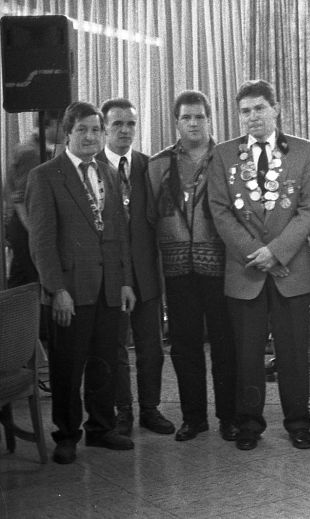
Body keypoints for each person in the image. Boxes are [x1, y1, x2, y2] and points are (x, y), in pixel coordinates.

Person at [208, 79, 310, 451]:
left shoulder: (304, 152)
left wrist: (276, 252)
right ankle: (249, 424)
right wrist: (256, 252)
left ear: (276, 109)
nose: (253, 116)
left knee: (294, 354)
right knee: (247, 355)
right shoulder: (224, 154)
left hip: (290, 270)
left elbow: (308, 210)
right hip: (246, 272)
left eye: (259, 108)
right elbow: (220, 212)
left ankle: (299, 423)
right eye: (245, 111)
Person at [26, 101, 136, 463]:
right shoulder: (45, 176)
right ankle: (67, 434)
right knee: (67, 368)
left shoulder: (108, 172)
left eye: (95, 130)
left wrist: (124, 282)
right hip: (70, 292)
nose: (90, 137)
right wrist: (56, 290)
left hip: (108, 288)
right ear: (68, 133)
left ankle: (101, 429)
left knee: (105, 364)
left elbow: (118, 234)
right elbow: (41, 242)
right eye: (82, 130)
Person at [147, 90, 237, 442]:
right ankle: (193, 418)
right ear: (177, 122)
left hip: (220, 268)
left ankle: (228, 418)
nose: (193, 123)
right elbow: (150, 218)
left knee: (224, 344)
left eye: (199, 116)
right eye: (186, 117)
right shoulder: (158, 164)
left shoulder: (227, 158)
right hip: (177, 269)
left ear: (209, 119)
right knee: (184, 347)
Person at [96, 98, 174, 437]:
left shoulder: (148, 166)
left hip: (146, 273)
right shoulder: (91, 165)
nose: (125, 130)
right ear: (104, 128)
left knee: (151, 348)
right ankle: (123, 410)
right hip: (109, 275)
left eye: (130, 124)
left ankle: (150, 409)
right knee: (115, 348)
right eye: (117, 124)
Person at [4, 110, 62, 288]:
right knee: (30, 283)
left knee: (20, 280)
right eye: (63, 125)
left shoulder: (37, 148)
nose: (66, 131)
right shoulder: (31, 153)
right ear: (52, 124)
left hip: (26, 227)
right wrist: (34, 233)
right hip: (26, 227)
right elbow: (20, 199)